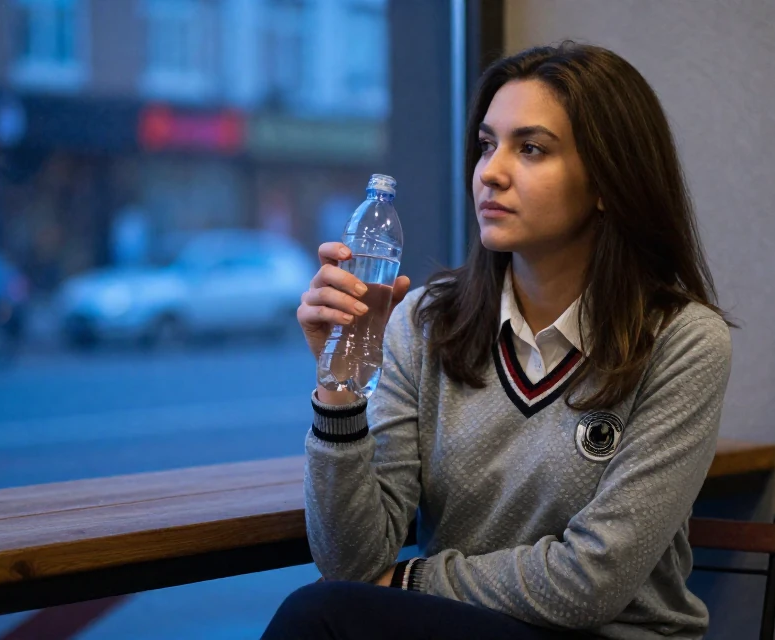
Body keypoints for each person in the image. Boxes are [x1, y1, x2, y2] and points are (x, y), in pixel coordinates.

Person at [264, 42, 733, 640]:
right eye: (487, 144)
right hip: (463, 630)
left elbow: (594, 580)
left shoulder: (684, 341)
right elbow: (352, 564)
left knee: (319, 616)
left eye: (530, 148)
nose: (490, 171)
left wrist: (408, 583)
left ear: (607, 183)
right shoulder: (424, 321)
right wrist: (338, 381)